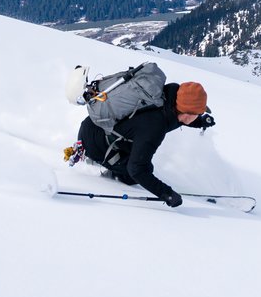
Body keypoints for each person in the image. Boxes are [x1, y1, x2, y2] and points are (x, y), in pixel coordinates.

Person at [74, 81, 215, 208]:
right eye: (199, 113)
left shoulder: (167, 97)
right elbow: (137, 170)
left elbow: (179, 117)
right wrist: (167, 194)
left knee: (140, 155)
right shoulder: (154, 127)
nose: (200, 115)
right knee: (138, 171)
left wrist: (200, 122)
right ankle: (106, 174)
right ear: (188, 114)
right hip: (94, 142)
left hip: (93, 126)